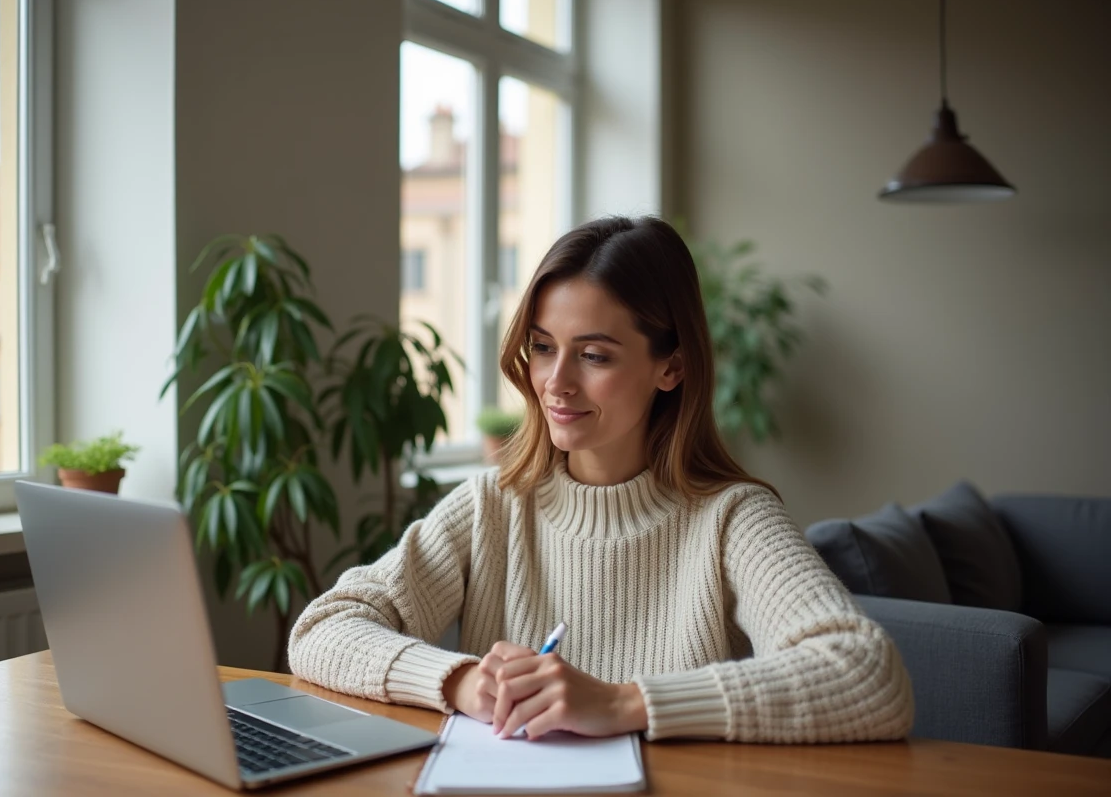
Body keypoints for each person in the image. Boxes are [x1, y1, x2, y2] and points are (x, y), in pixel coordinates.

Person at [288, 216, 914, 743]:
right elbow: (322, 629)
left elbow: (869, 675)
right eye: (542, 347)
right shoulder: (493, 505)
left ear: (671, 368)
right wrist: (464, 682)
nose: (556, 382)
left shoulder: (731, 518)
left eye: (593, 355)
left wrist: (620, 704)